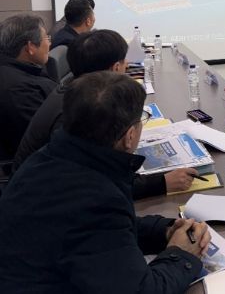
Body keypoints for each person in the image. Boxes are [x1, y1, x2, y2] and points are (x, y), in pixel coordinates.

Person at [0, 72, 210, 293]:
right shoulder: (95, 200)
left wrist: (162, 231)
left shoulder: (52, 157)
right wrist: (181, 254)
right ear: (130, 136)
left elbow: (102, 235)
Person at [14, 29, 197, 198]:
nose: (127, 65)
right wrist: (161, 183)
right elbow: (92, 183)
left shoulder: (77, 93)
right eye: (124, 61)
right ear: (116, 68)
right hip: (44, 198)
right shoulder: (79, 111)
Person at [0, 15, 56, 160]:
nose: (50, 43)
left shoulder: (19, 71)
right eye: (47, 38)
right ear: (30, 47)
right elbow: (44, 140)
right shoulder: (19, 91)